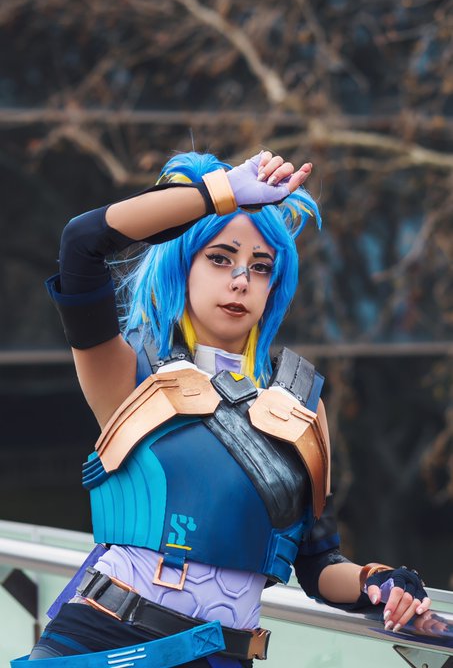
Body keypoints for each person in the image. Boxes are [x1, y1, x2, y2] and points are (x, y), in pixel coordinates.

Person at [16, 151, 430, 666]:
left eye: (260, 267)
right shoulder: (127, 369)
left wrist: (381, 582)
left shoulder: (300, 403)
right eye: (219, 258)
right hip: (106, 640)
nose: (240, 280)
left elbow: (318, 564)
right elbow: (81, 243)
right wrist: (218, 194)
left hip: (221, 656)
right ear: (183, 265)